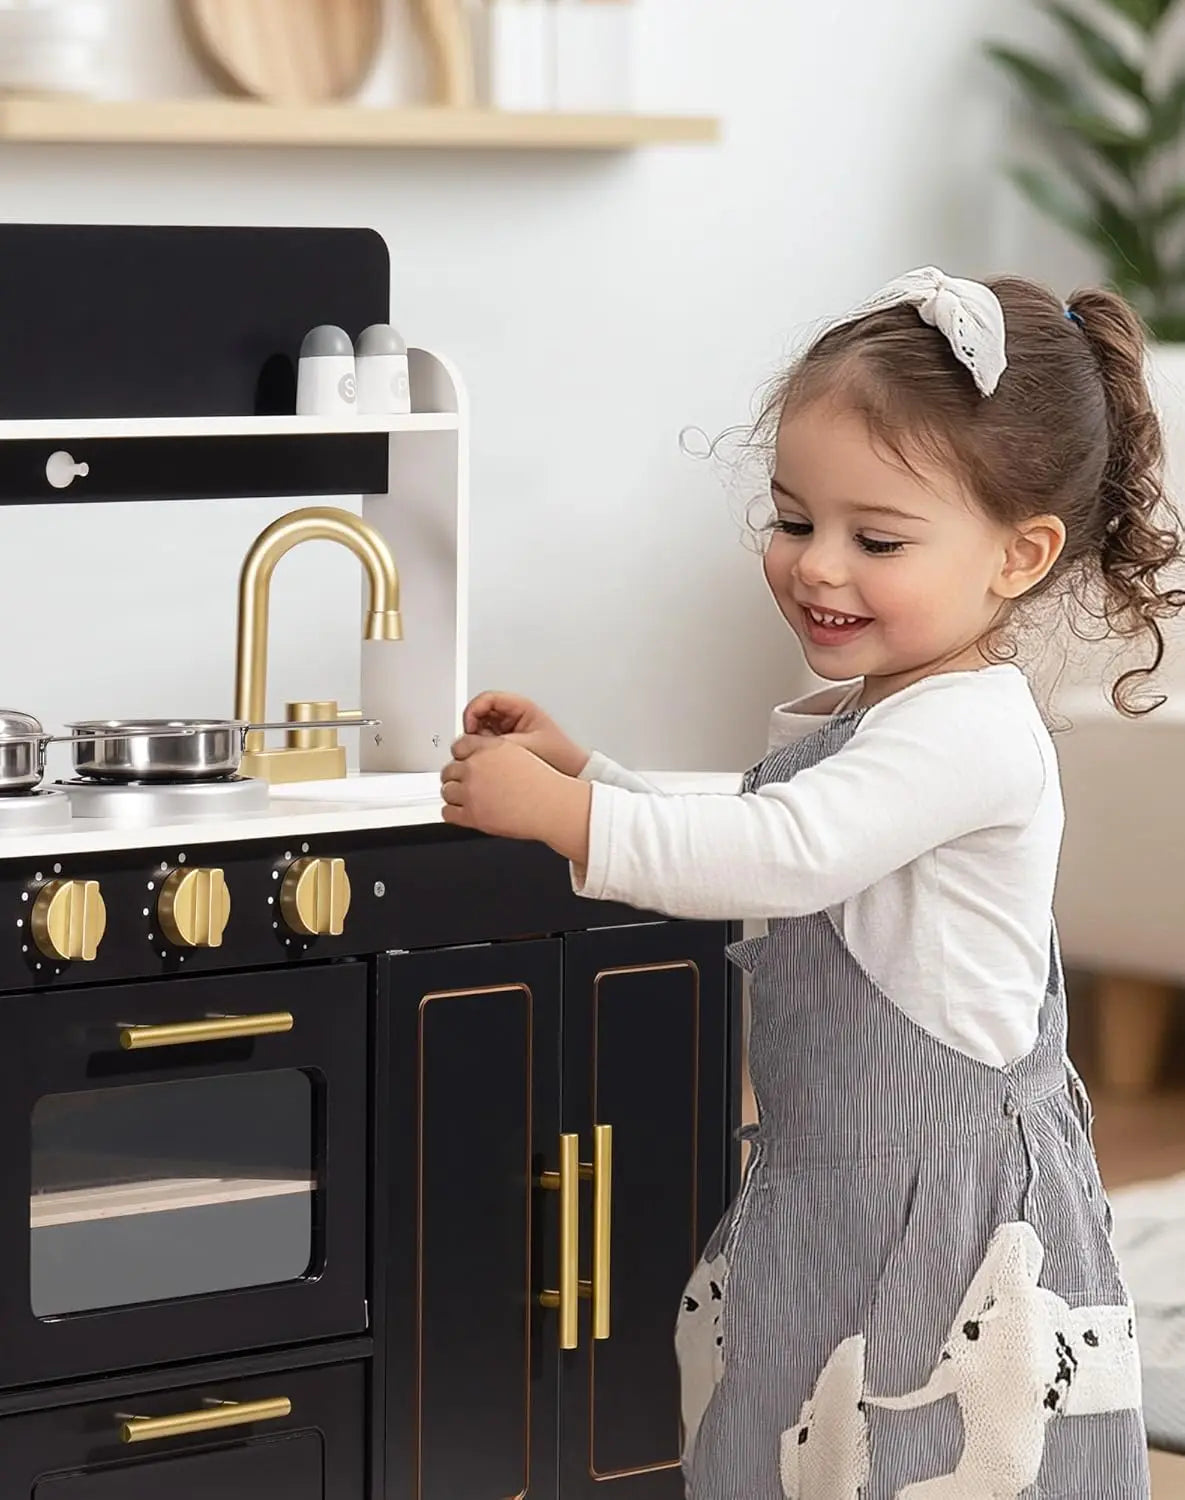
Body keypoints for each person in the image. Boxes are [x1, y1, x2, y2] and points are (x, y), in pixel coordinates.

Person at [440, 267, 1183, 1498]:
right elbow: (767, 834)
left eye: (876, 539)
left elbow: (787, 851)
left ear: (1021, 554)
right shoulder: (888, 719)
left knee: (924, 1457)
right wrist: (595, 773)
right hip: (837, 1191)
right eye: (793, 521)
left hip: (939, 1222)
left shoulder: (968, 733)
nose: (817, 567)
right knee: (804, 1447)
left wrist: (569, 817)